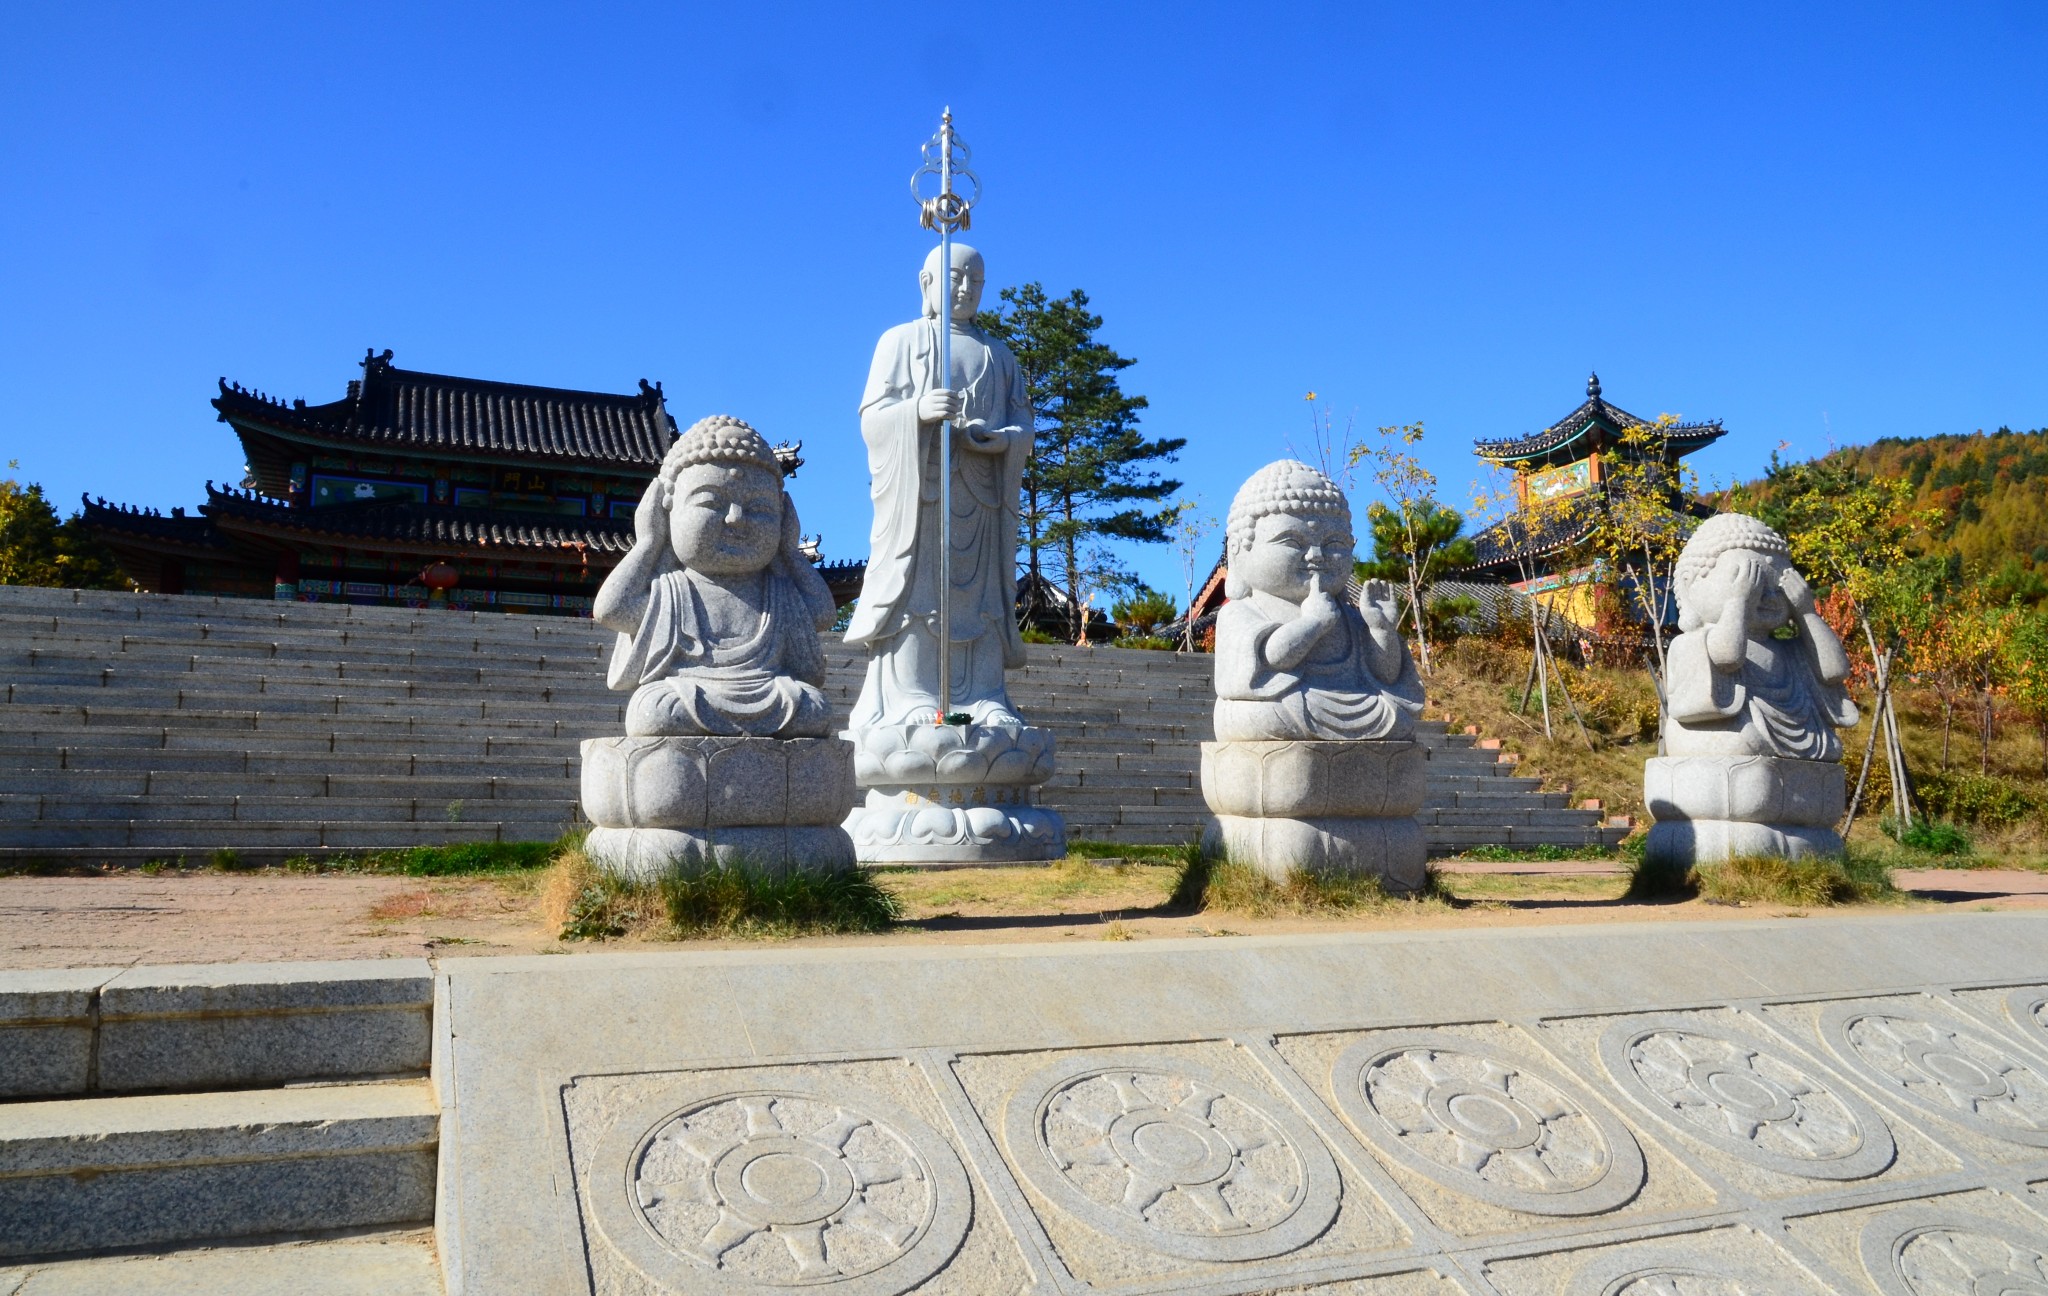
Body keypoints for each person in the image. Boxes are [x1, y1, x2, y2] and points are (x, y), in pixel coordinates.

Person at [844, 242, 1033, 728]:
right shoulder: (900, 342)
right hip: (920, 497)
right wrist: (917, 414)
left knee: (984, 598)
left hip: (981, 496)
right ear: (927, 284)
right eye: (956, 277)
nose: (967, 288)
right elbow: (872, 420)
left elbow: (1024, 426)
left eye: (976, 281)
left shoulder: (1000, 356)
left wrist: (1002, 441)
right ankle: (912, 693)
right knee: (918, 594)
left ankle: (985, 692)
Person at [594, 415, 837, 738]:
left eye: (759, 508)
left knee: (812, 706)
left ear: (782, 516)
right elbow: (611, 610)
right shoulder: (672, 590)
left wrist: (790, 552)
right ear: (668, 511)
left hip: (771, 691)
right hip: (688, 692)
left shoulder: (778, 591)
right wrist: (649, 542)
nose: (736, 519)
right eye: (711, 501)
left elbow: (823, 614)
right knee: (656, 709)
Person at [1213, 460, 1423, 742]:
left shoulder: (1350, 616)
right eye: (1292, 541)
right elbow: (1272, 659)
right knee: (1255, 716)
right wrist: (1312, 623)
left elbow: (1385, 674)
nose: (1316, 555)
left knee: (1398, 714)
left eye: (1333, 544)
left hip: (1356, 703)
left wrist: (1381, 630)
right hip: (1285, 704)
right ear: (1238, 551)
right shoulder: (1241, 612)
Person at [1664, 513, 1858, 760]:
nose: (1768, 594)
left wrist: (1806, 612)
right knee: (1742, 743)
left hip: (1793, 728)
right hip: (1718, 730)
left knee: (1830, 747)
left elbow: (1834, 671)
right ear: (1690, 585)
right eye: (1751, 578)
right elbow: (1728, 657)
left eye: (1780, 584)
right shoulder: (1690, 643)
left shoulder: (1789, 650)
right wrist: (1740, 600)